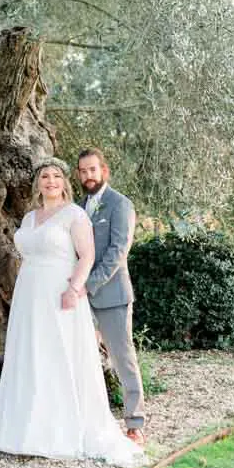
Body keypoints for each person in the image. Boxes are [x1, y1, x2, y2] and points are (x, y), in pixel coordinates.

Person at [0, 157, 145, 468]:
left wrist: (75, 289)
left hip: (61, 294)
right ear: (38, 183)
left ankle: (120, 426)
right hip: (29, 296)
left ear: (64, 182)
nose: (51, 181)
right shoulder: (31, 217)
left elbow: (87, 256)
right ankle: (26, 428)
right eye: (45, 176)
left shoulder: (75, 214)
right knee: (31, 356)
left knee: (61, 356)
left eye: (57, 176)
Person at [78, 147, 145, 445]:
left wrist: (89, 283)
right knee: (82, 359)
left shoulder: (120, 205)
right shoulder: (79, 207)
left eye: (92, 170)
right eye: (82, 171)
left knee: (122, 359)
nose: (88, 176)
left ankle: (135, 424)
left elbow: (119, 251)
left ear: (104, 171)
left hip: (112, 295)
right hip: (81, 299)